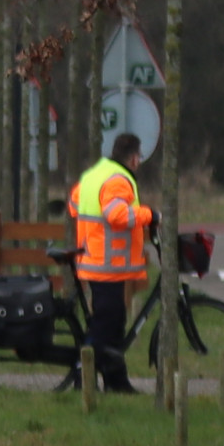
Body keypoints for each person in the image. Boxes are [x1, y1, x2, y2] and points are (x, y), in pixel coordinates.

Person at [70, 129, 156, 395]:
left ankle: (117, 382)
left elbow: (74, 204)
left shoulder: (95, 173)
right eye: (138, 157)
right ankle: (80, 376)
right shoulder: (119, 180)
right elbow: (117, 215)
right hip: (107, 265)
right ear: (133, 158)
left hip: (94, 260)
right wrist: (150, 216)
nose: (139, 162)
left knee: (114, 323)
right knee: (106, 326)